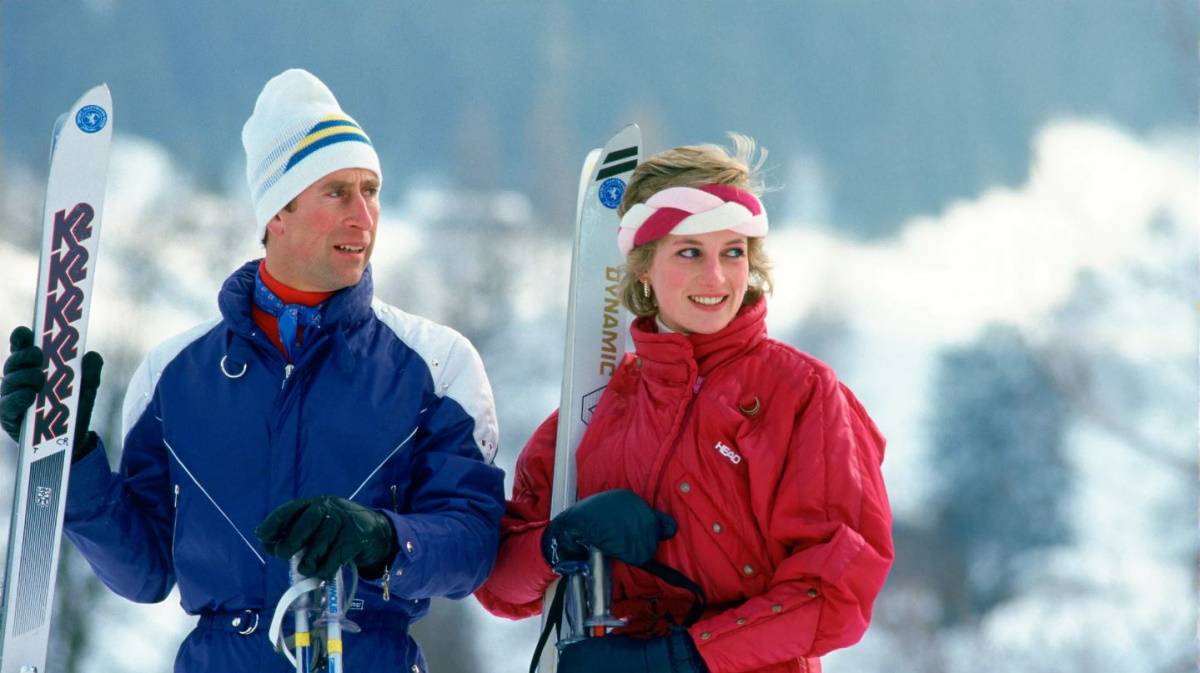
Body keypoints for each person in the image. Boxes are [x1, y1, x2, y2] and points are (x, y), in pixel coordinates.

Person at [0, 68, 505, 672]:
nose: (363, 217)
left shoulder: (437, 364)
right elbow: (144, 571)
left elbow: (474, 544)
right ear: (277, 213)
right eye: (336, 193)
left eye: (370, 190)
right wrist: (70, 456)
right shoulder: (175, 376)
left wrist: (383, 537)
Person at [475, 136, 893, 673]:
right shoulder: (593, 409)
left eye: (733, 252)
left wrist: (676, 660)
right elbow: (501, 587)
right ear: (643, 268)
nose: (716, 278)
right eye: (690, 252)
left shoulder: (801, 395)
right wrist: (561, 540)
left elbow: (837, 594)